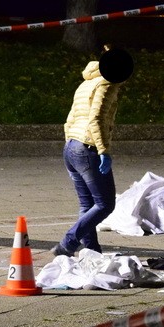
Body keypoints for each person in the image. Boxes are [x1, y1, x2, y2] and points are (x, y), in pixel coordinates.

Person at [50, 45, 133, 257]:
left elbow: (71, 117)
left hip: (72, 147)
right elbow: (96, 119)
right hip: (87, 148)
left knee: (87, 204)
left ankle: (92, 251)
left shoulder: (87, 82)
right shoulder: (107, 85)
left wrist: (70, 141)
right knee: (105, 204)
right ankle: (68, 242)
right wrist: (103, 150)